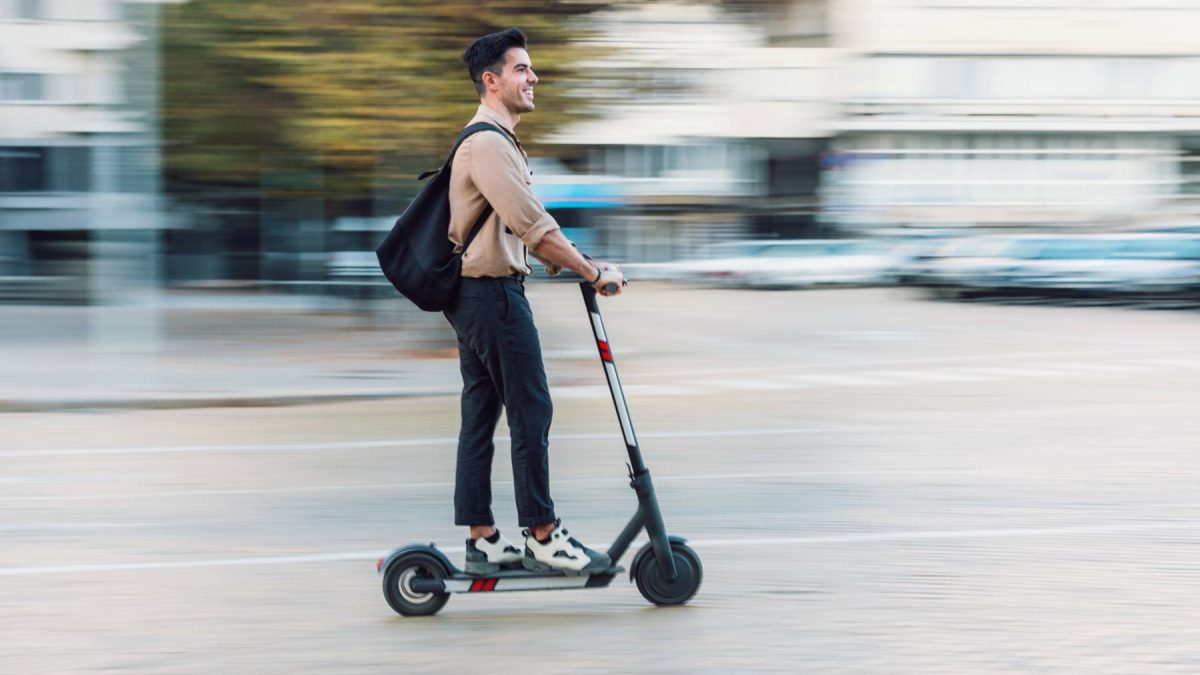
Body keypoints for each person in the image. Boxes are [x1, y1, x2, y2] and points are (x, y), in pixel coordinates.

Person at [444, 27, 627, 576]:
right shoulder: (488, 143)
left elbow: (525, 229)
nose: (534, 77)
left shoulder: (490, 140)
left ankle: (484, 539)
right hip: (493, 295)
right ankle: (543, 535)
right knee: (531, 410)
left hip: (475, 293)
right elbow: (533, 226)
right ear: (491, 80)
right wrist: (593, 272)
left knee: (481, 413)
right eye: (522, 69)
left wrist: (569, 260)